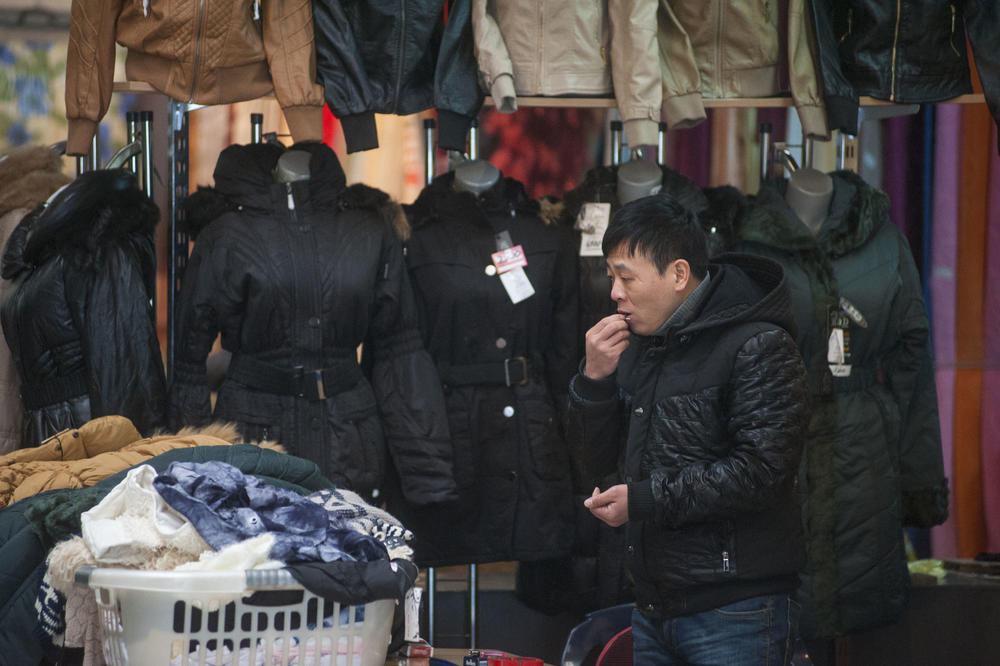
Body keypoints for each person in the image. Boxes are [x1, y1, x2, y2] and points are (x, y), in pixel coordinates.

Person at [567, 193, 810, 665]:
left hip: (737, 611)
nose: (614, 292)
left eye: (626, 276)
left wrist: (644, 500)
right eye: (611, 276)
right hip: (654, 607)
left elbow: (761, 473)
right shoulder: (640, 343)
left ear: (678, 275)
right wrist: (593, 379)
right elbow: (592, 467)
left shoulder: (759, 343)